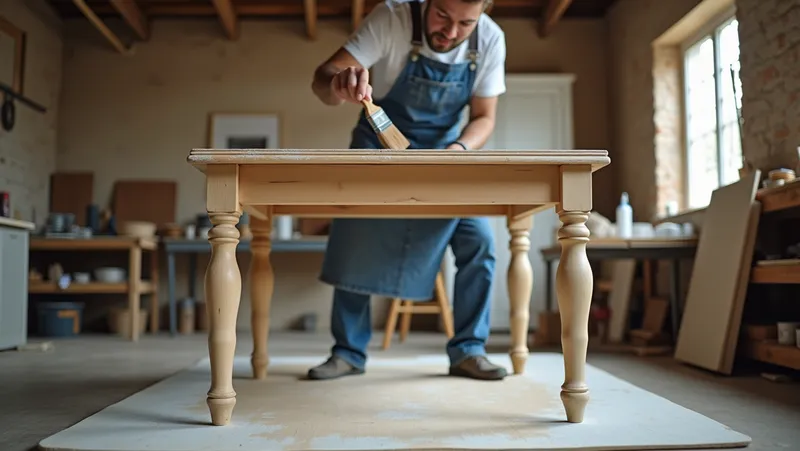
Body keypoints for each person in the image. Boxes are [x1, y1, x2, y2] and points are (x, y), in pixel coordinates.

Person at [307, 0, 507, 381]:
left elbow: (484, 117)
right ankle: (347, 352)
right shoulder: (392, 17)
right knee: (354, 240)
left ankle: (468, 349)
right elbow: (322, 78)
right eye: (442, 16)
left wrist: (458, 151)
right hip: (376, 148)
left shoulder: (491, 39)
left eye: (465, 23)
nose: (450, 33)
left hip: (446, 155)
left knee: (479, 240)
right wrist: (338, 83)